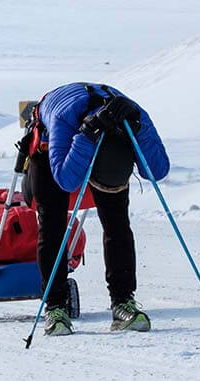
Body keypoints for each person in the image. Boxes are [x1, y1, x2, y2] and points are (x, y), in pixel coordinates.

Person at [21, 82, 170, 336]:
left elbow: (158, 171)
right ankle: (55, 307)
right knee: (53, 224)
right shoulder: (63, 118)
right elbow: (66, 180)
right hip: (50, 147)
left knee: (118, 224)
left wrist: (139, 128)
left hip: (115, 139)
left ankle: (123, 302)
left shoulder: (137, 117)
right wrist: (88, 134)